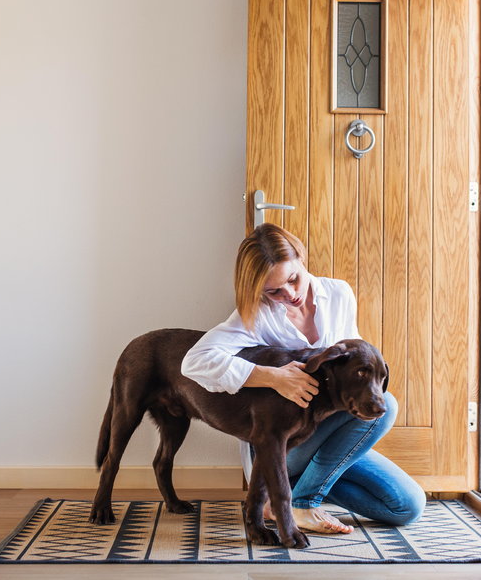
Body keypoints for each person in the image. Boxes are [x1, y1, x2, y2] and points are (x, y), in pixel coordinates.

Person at [181, 223, 425, 533]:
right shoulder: (255, 313)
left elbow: (355, 360)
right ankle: (302, 502)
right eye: (274, 291)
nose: (290, 294)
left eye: (293, 279)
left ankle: (294, 487)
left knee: (406, 506)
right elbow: (194, 362)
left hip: (329, 435)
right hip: (279, 442)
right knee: (387, 406)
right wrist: (272, 376)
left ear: (301, 257)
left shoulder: (338, 294)